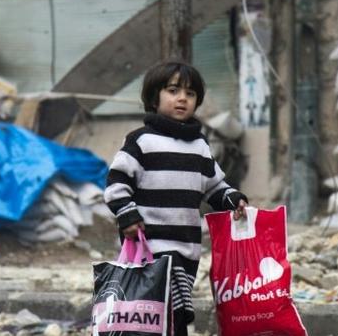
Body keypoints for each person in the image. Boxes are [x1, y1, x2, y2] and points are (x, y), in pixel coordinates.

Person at [103, 60, 248, 336]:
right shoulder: (141, 140)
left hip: (187, 247)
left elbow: (214, 186)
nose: (182, 98)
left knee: (165, 316)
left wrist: (233, 199)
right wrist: (127, 215)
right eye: (173, 90)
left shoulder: (199, 146)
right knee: (170, 310)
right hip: (150, 245)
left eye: (190, 93)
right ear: (154, 98)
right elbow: (116, 184)